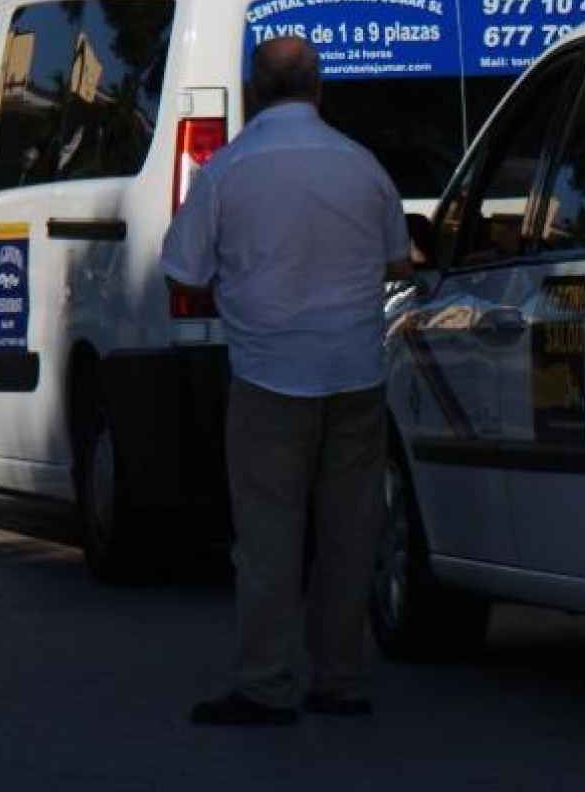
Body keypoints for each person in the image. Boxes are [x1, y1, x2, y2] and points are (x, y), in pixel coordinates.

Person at [162, 36, 412, 727]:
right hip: (356, 374)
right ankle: (340, 678)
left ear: (252, 93)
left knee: (269, 535)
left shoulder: (227, 171)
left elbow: (182, 271)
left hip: (269, 375)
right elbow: (400, 262)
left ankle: (267, 683)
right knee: (349, 530)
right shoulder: (362, 167)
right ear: (319, 90)